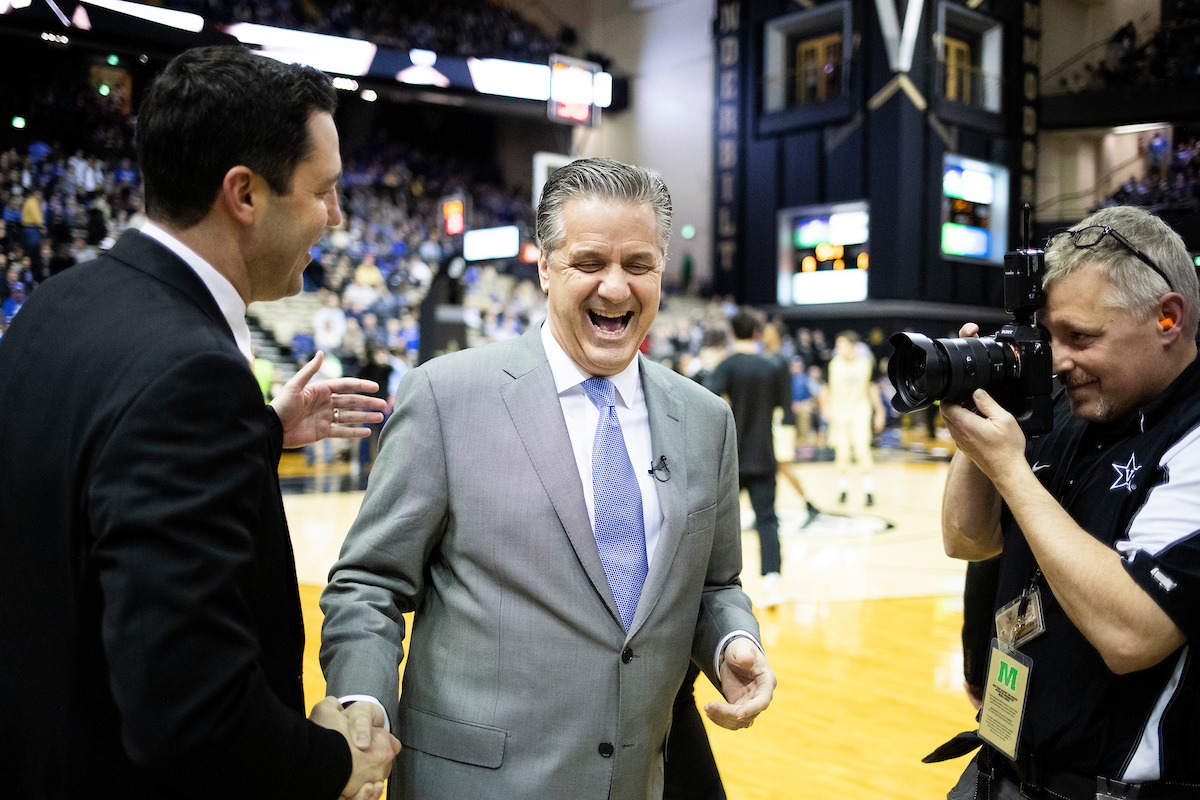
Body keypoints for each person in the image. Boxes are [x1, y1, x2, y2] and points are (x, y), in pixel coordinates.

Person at [0, 46, 399, 800]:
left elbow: (96, 478)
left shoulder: (57, 304)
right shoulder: (193, 377)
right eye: (325, 192)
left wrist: (258, 432)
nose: (337, 218)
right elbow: (190, 714)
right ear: (244, 194)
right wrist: (338, 764)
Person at [320, 157, 776, 799]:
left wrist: (732, 640)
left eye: (638, 265)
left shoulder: (706, 420)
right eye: (589, 263)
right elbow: (369, 582)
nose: (615, 288)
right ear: (543, 266)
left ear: (662, 271)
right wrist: (362, 703)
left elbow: (714, 585)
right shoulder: (447, 397)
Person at [940, 205, 1200, 799]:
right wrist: (976, 424)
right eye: (1049, 336)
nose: (1056, 361)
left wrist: (1010, 466)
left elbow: (1133, 635)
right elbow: (967, 539)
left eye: (1081, 337)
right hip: (999, 765)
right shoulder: (1064, 402)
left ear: (1167, 318)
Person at [709, 309, 812, 607]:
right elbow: (786, 411)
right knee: (767, 520)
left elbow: (707, 401)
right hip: (765, 454)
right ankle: (772, 583)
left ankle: (713, 589)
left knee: (717, 525)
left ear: (732, 332)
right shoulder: (772, 367)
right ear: (756, 332)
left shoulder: (726, 366)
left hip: (731, 459)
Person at [826, 330, 885, 505]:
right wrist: (826, 407)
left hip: (860, 412)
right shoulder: (833, 364)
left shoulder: (865, 363)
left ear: (851, 346)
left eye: (840, 345)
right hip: (840, 414)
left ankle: (869, 491)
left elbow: (872, 388)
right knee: (842, 454)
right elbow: (826, 387)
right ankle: (843, 490)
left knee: (862, 450)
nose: (838, 348)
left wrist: (879, 411)